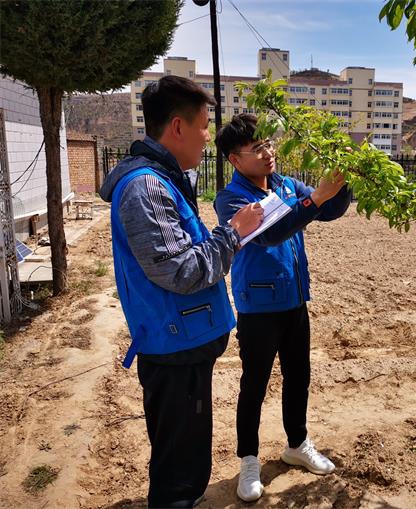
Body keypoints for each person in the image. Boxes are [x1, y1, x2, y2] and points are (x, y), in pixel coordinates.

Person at [99, 77, 263, 508]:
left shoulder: (164, 180)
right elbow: (183, 270)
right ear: (177, 127)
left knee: (183, 459)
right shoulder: (147, 188)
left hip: (182, 343)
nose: (208, 136)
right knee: (180, 474)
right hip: (175, 348)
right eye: (204, 125)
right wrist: (233, 234)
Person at [214, 113, 351, 502]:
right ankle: (249, 460)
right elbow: (270, 234)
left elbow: (325, 210)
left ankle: (297, 443)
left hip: (294, 299)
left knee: (298, 376)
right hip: (258, 306)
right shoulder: (231, 199)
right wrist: (315, 197)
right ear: (234, 159)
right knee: (253, 385)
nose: (268, 153)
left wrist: (341, 183)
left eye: (268, 144)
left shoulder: (286, 184)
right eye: (256, 148)